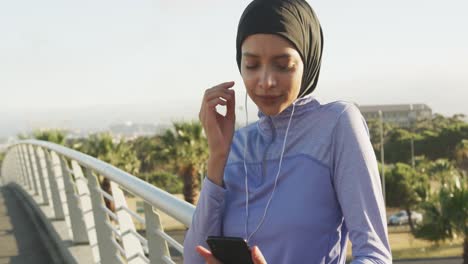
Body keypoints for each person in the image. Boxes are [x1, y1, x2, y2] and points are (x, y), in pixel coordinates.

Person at [183, 0, 392, 263]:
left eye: (282, 65)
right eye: (252, 65)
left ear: (308, 61)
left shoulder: (337, 125)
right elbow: (194, 259)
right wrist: (217, 156)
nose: (266, 81)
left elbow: (375, 256)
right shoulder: (236, 145)